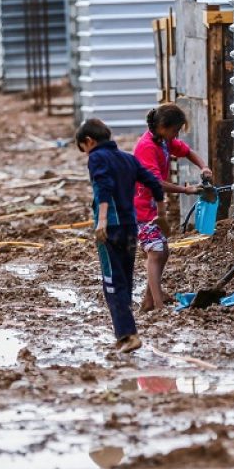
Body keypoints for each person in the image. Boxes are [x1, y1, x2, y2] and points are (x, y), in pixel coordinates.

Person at [77, 118, 164, 354]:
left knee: (112, 281)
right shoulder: (128, 158)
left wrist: (102, 220)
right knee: (124, 279)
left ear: (89, 141)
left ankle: (128, 335)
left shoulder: (97, 157)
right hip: (130, 226)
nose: (87, 154)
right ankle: (126, 332)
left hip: (110, 227)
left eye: (84, 149)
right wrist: (162, 212)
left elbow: (102, 186)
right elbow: (154, 183)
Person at [133, 104, 212, 312]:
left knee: (163, 251)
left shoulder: (164, 142)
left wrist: (203, 166)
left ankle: (149, 300)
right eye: (175, 131)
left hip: (153, 206)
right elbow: (156, 182)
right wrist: (186, 190)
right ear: (162, 127)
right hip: (141, 206)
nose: (176, 135)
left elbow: (187, 151)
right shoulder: (147, 147)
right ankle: (159, 305)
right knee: (155, 253)